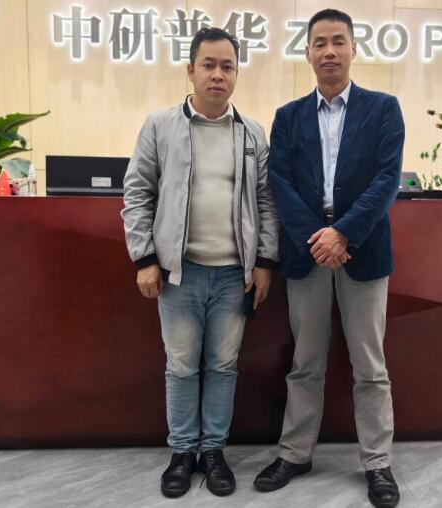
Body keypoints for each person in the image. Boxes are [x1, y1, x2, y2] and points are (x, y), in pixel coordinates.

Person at [253, 9, 405, 508]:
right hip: (307, 254)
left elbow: (387, 181)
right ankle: (295, 453)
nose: (330, 51)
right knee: (305, 362)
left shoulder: (383, 109)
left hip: (363, 250)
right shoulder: (288, 116)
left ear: (354, 48)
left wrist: (342, 234)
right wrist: (318, 239)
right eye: (320, 43)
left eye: (339, 41)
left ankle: (377, 463)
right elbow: (281, 183)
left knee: (371, 366)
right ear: (308, 52)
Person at [121, 27, 279, 499]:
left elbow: (266, 202)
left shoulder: (252, 133)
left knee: (224, 366)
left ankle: (213, 451)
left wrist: (264, 261)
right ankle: (182, 453)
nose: (217, 75)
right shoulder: (160, 126)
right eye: (208, 65)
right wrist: (145, 257)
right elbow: (137, 193)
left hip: (234, 275)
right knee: (182, 366)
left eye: (227, 66)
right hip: (179, 273)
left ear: (236, 74)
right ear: (190, 70)